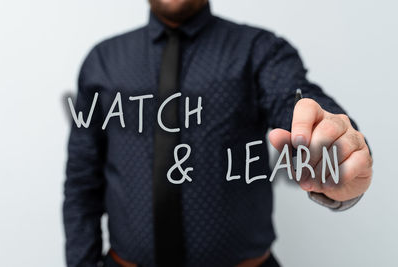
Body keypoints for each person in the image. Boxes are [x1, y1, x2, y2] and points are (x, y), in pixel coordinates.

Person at [63, 0, 373, 266]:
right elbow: (82, 183)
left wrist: (335, 150)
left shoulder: (259, 51)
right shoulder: (102, 62)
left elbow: (293, 100)